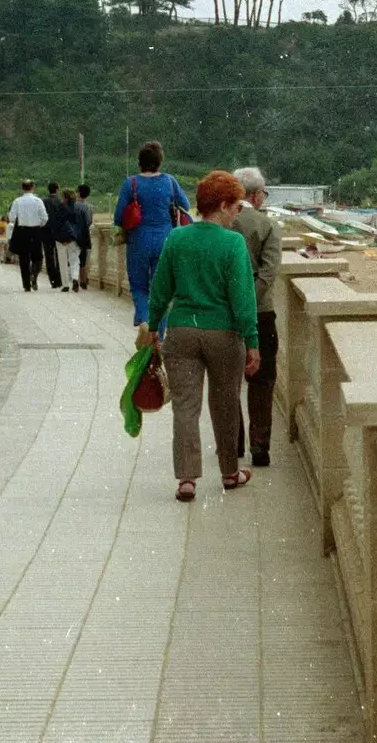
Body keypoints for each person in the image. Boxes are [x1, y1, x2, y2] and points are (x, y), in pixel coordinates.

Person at [141, 170, 261, 502]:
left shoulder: (177, 238)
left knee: (185, 407)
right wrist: (252, 342)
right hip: (224, 334)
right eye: (237, 207)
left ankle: (187, 479)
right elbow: (242, 297)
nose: (239, 213)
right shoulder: (232, 243)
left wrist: (153, 327)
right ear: (222, 206)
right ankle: (229, 472)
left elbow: (160, 288)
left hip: (181, 331)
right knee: (225, 404)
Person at [230, 167, 281, 468]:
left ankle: (232, 441)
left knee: (229, 380)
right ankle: (259, 446)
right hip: (261, 314)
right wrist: (249, 302)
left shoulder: (222, 223)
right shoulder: (267, 225)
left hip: (225, 315)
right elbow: (269, 272)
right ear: (256, 194)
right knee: (262, 381)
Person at [115, 141, 192, 326]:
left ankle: (143, 319)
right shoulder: (169, 181)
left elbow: (118, 217)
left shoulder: (131, 183)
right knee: (161, 289)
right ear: (159, 161)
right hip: (165, 239)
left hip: (138, 239)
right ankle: (159, 335)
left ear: (140, 161)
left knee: (139, 285)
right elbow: (186, 206)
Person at [7, 181, 49, 291]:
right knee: (38, 257)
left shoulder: (17, 201)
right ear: (33, 187)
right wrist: (39, 224)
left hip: (22, 231)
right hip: (35, 231)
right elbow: (45, 218)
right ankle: (33, 274)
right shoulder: (38, 201)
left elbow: (11, 218)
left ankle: (26, 285)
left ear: (22, 188)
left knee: (24, 258)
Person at [54, 189, 85, 291]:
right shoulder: (79, 207)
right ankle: (75, 278)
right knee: (74, 259)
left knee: (62, 261)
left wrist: (58, 237)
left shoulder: (59, 207)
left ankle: (65, 285)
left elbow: (55, 224)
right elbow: (83, 224)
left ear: (64, 197)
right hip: (74, 238)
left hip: (61, 238)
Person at [43, 182, 68, 288]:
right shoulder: (61, 202)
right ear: (57, 189)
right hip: (59, 231)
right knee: (60, 255)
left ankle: (53, 280)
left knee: (49, 256)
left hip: (46, 231)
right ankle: (60, 279)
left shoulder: (43, 201)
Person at [74, 184, 94, 288]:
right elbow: (89, 222)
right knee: (83, 259)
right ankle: (83, 280)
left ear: (77, 192)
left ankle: (75, 279)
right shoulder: (88, 207)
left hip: (72, 235)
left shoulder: (71, 205)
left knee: (73, 258)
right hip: (84, 236)